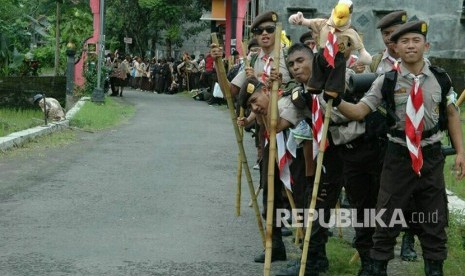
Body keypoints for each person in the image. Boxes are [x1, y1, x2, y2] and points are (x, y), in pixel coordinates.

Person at [325, 20, 465, 275]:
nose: (410, 46)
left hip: (430, 156)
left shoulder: (441, 79)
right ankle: (377, 268)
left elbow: (453, 114)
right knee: (386, 219)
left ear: (427, 45)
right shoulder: (385, 80)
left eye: (416, 41)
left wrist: (461, 152)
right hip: (398, 156)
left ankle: (435, 269)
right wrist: (334, 101)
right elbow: (358, 112)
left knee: (434, 219)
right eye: (404, 42)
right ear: (396, 49)